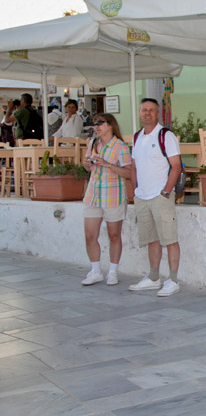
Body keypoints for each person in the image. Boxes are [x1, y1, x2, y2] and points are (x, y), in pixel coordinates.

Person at [128, 98, 182, 297]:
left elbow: (176, 165)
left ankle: (173, 280)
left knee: (170, 239)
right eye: (144, 110)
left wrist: (166, 191)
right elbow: (134, 166)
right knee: (151, 239)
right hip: (142, 196)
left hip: (161, 195)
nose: (147, 113)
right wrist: (135, 190)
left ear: (157, 113)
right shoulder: (137, 137)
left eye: (151, 110)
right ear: (140, 113)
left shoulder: (165, 135)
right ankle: (153, 278)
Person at [80, 113, 132, 286]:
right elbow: (86, 163)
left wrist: (108, 164)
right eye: (95, 124)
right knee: (89, 235)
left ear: (110, 125)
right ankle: (95, 271)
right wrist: (87, 164)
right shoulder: (93, 144)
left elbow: (129, 172)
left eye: (100, 123)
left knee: (114, 235)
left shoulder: (120, 147)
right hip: (93, 194)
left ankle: (112, 271)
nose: (97, 126)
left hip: (113, 195)